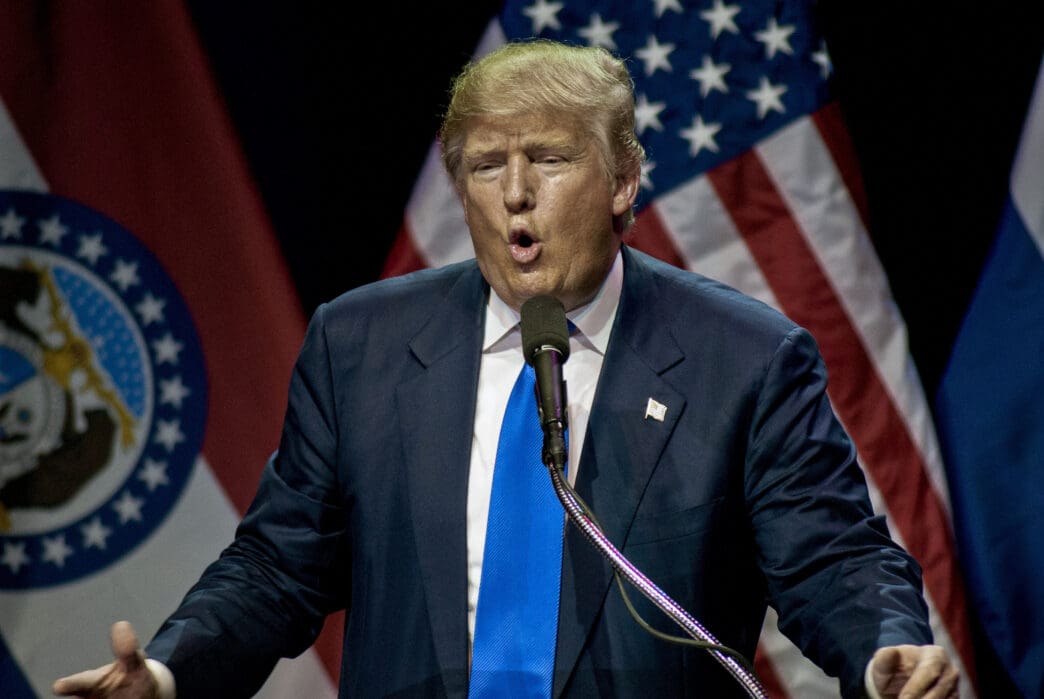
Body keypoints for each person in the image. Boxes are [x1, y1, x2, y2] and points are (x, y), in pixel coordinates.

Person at [54, 39, 959, 698]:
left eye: (550, 159)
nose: (515, 191)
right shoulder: (360, 344)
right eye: (486, 165)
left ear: (623, 182)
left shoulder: (745, 358)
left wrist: (883, 647)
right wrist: (172, 670)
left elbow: (834, 559)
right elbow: (275, 568)